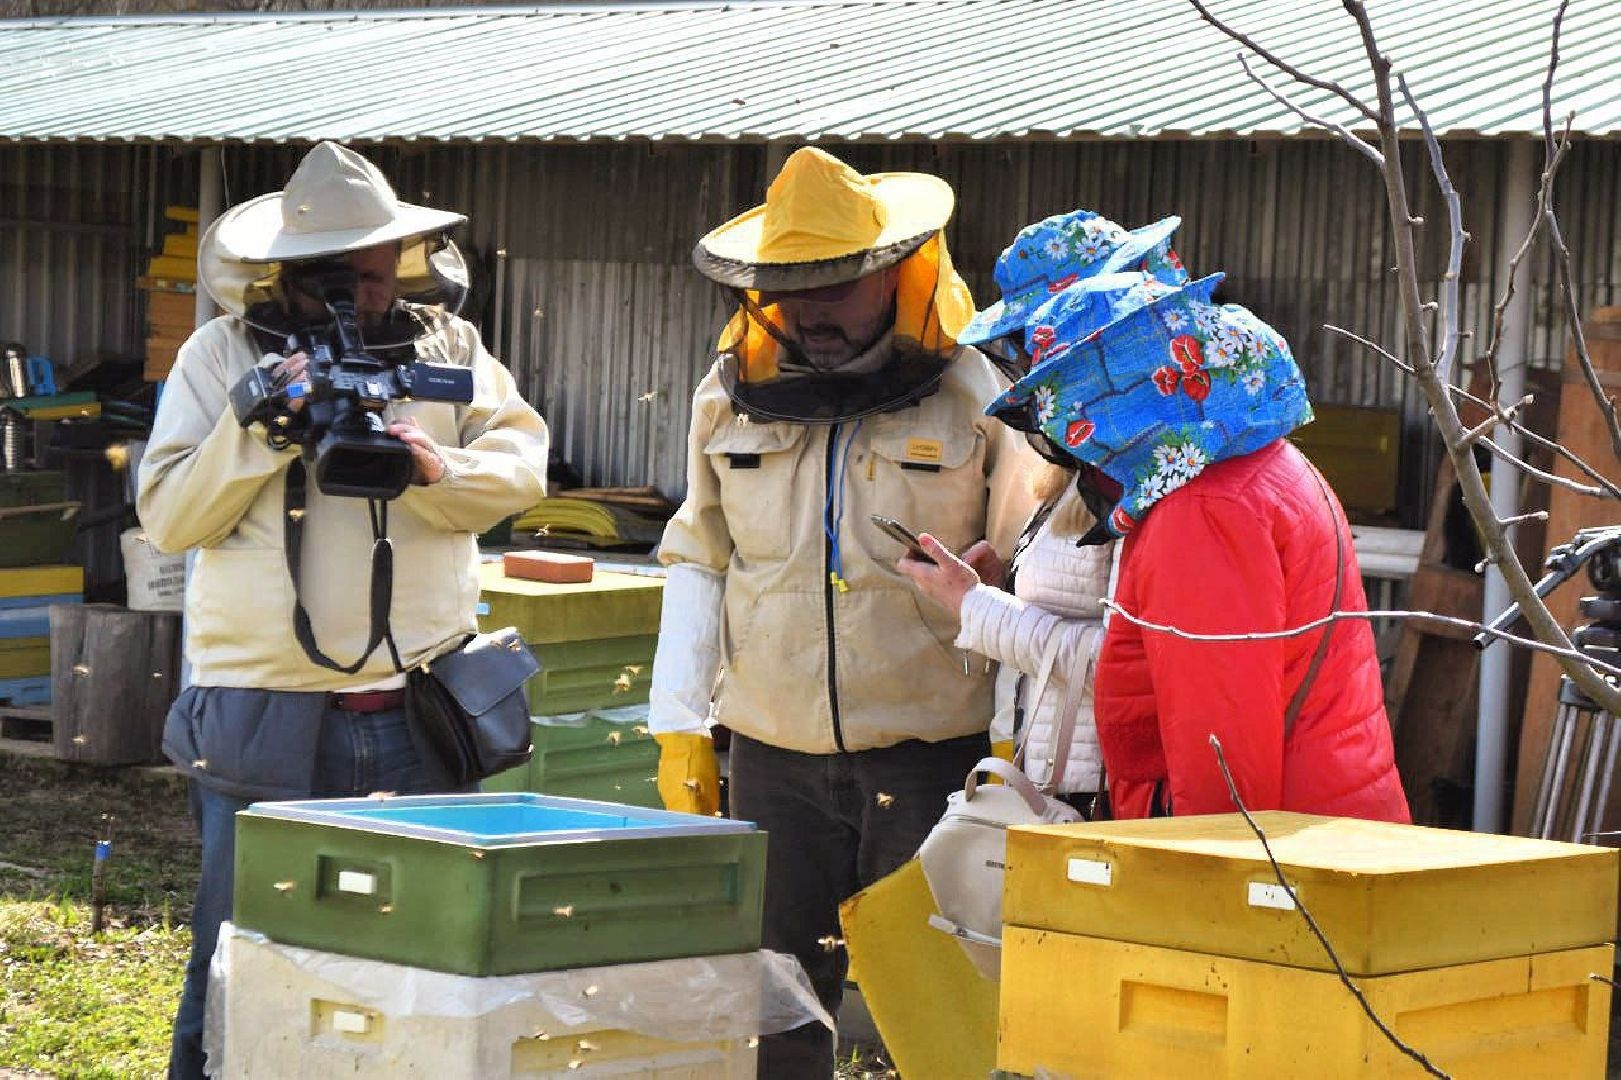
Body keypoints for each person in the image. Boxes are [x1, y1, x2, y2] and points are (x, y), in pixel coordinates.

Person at [137, 141, 549, 1079]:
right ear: (282, 271)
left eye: (368, 272)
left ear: (398, 261)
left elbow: (521, 466)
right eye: (332, 274)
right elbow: (167, 519)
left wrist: (436, 470)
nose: (353, 295)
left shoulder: (450, 347)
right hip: (265, 712)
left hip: (424, 707)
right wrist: (257, 432)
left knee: (428, 955)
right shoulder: (220, 353)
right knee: (242, 953)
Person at [648, 146, 1035, 1078]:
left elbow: (1024, 571)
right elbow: (699, 557)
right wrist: (678, 725)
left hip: (934, 753)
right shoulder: (725, 395)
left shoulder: (977, 393)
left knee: (942, 1003)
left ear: (896, 275)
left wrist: (1015, 747)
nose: (810, 311)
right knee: (775, 1002)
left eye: (834, 284)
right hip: (772, 755)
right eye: (790, 288)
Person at [921, 220, 1410, 824]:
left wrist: (1189, 897)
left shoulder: (1203, 509)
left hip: (1280, 863)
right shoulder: (1234, 465)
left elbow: (1220, 770)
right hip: (1307, 839)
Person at [901, 210, 1188, 808]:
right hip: (1048, 773)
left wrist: (971, 604)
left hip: (1109, 792)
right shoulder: (1077, 457)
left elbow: (1127, 667)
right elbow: (1070, 607)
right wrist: (1000, 589)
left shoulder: (1156, 473)